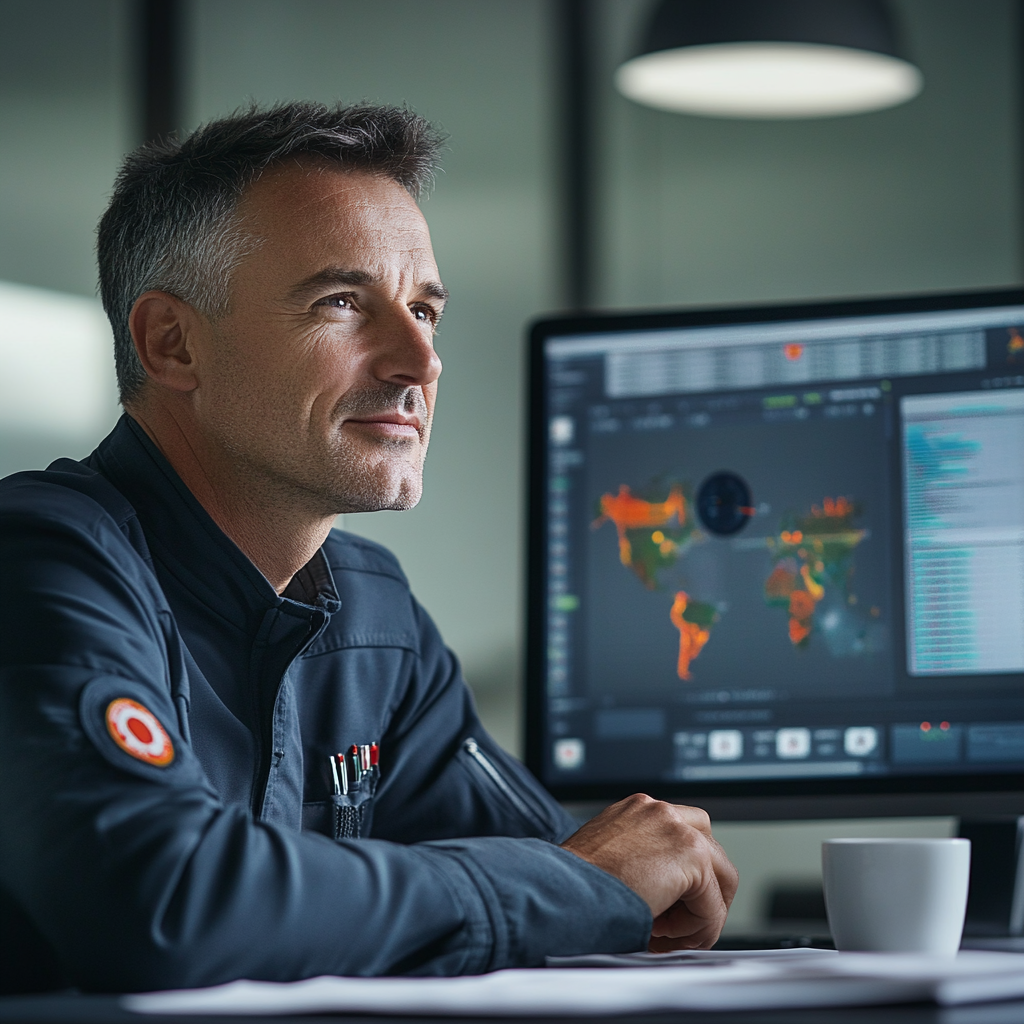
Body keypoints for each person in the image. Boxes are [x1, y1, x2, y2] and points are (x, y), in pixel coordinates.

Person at [0, 102, 737, 995]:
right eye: (343, 302)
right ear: (172, 341)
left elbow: (565, 871)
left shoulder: (372, 613)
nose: (418, 360)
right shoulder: (42, 560)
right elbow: (163, 901)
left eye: (425, 310)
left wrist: (595, 881)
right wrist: (576, 886)